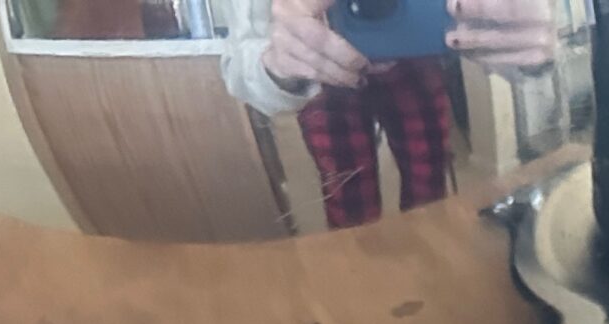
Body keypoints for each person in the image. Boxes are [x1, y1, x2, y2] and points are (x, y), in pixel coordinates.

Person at [222, 0, 557, 229]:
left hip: (416, 61)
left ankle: (427, 271)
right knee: (348, 205)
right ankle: (361, 288)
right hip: (321, 73)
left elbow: (510, 33)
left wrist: (526, 42)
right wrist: (280, 63)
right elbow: (241, 62)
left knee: (428, 190)